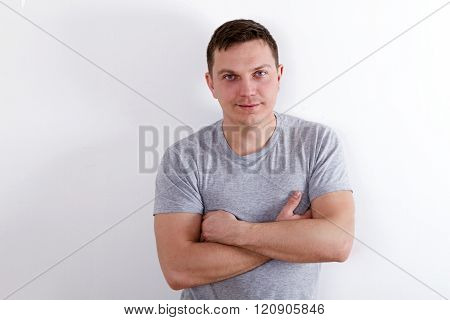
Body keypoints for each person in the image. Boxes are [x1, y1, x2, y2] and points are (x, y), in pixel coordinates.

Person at [153, 19, 354, 299]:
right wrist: (287, 238)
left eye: (259, 73)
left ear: (279, 75)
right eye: (230, 77)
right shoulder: (183, 158)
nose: (247, 90)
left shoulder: (317, 143)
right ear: (211, 84)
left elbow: (338, 243)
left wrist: (237, 233)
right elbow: (178, 270)